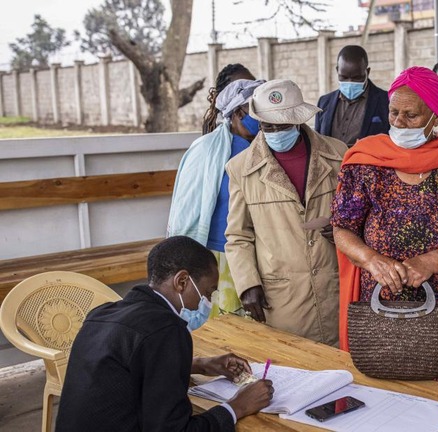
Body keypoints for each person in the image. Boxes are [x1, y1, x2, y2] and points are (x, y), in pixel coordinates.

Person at [331, 66, 438, 390]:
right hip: (380, 301)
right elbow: (342, 227)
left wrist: (431, 262)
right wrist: (370, 259)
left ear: (435, 117)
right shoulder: (366, 159)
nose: (398, 123)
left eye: (411, 116)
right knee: (382, 389)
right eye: (393, 113)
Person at [56, 236, 274, 431]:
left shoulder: (104, 313)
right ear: (182, 281)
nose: (205, 301)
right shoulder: (167, 330)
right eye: (208, 292)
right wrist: (237, 407)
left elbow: (129, 369)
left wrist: (201, 364)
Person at [225, 79, 348, 346]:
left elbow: (360, 216)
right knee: (294, 368)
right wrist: (247, 284)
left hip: (335, 285)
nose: (275, 131)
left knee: (345, 369)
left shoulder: (338, 155)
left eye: (282, 125)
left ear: (298, 120)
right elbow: (238, 236)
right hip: (282, 296)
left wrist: (343, 228)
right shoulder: (241, 168)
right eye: (268, 125)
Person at [168, 77, 265, 316]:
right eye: (256, 110)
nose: (262, 118)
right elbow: (186, 206)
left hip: (248, 252)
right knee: (213, 324)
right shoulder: (206, 149)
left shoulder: (261, 149)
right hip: (211, 253)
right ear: (238, 113)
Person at [315, 45, 390, 146]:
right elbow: (317, 143)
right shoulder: (324, 102)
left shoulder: (386, 102)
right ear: (337, 70)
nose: (350, 82)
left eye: (357, 78)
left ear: (367, 72)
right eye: (344, 77)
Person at [202, 63, 256, 134]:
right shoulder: (215, 142)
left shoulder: (270, 133)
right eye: (242, 90)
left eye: (254, 86)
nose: (250, 94)